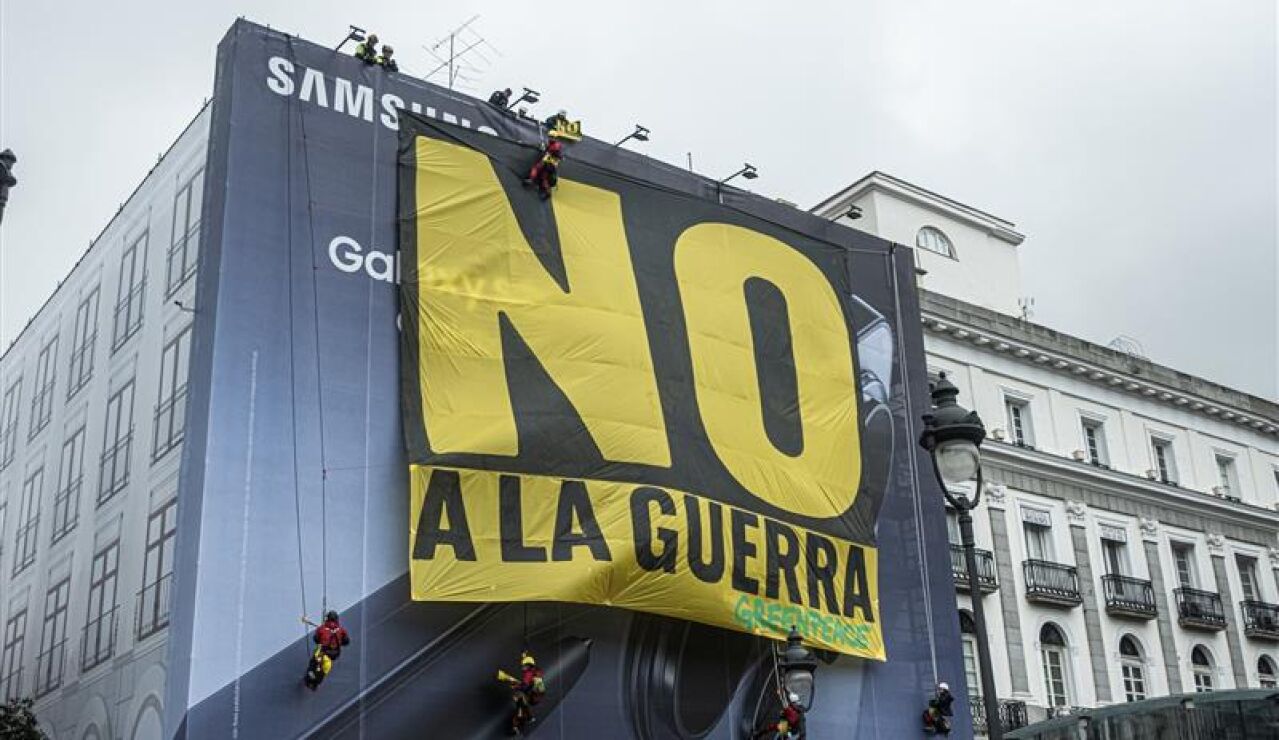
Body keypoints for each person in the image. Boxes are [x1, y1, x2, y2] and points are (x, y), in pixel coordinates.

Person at [497, 651, 546, 735]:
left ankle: (521, 722)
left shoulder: (528, 674)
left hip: (533, 696)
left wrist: (515, 686)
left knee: (520, 701)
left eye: (524, 665)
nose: (522, 667)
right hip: (536, 694)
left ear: (529, 666)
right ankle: (527, 718)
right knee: (521, 702)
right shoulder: (535, 671)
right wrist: (524, 656)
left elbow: (524, 686)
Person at [303, 610, 350, 691]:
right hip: (334, 654)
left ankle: (309, 674)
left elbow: (316, 640)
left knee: (314, 661)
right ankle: (315, 683)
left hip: (322, 653)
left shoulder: (321, 629)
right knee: (324, 670)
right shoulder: (341, 630)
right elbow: (346, 642)